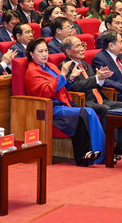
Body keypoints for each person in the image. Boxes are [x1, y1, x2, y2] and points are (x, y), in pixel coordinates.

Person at [25, 38, 105, 166]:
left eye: (46, 50)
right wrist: (62, 75)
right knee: (85, 113)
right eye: (40, 51)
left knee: (89, 111)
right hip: (49, 107)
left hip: (63, 101)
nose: (45, 54)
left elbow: (62, 87)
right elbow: (46, 92)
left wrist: (71, 78)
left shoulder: (50, 66)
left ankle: (99, 153)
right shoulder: (32, 72)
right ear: (31, 54)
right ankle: (85, 155)